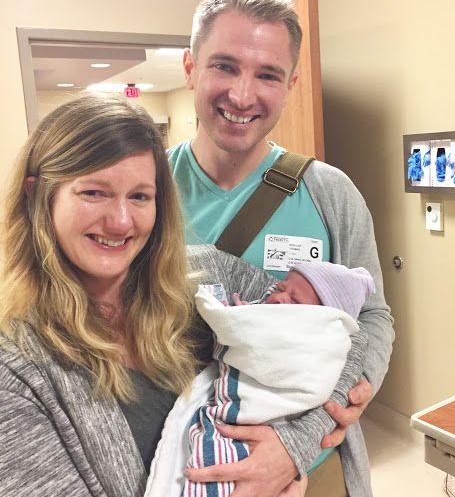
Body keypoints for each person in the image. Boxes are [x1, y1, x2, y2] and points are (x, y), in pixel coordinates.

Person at [0, 94, 340, 497]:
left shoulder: (208, 277)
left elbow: (331, 336)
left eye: (140, 196)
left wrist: (291, 450)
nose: (121, 220)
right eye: (94, 192)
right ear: (38, 194)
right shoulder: (17, 375)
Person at [169, 0, 395, 496]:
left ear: (291, 83)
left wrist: (302, 440)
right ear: (189, 68)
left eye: (267, 74)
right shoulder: (145, 191)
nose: (243, 96)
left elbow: (373, 316)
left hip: (313, 470)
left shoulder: (329, 192)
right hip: (185, 465)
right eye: (224, 66)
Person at [180, 263, 374, 497]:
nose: (280, 298)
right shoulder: (265, 297)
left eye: (296, 301)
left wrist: (298, 442)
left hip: (313, 443)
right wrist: (244, 314)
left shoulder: (320, 338)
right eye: (280, 288)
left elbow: (364, 324)